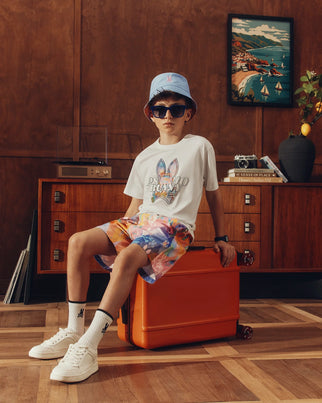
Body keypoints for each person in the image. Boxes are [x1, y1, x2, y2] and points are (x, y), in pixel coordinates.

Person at [29, 72, 236, 383]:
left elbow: (213, 194)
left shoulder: (199, 146)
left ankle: (89, 346)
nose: (168, 116)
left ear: (189, 113)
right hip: (140, 222)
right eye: (160, 109)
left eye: (176, 109)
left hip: (174, 227)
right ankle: (74, 331)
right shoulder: (144, 157)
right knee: (76, 242)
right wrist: (121, 235)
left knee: (126, 259)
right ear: (150, 114)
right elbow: (133, 209)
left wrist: (222, 238)